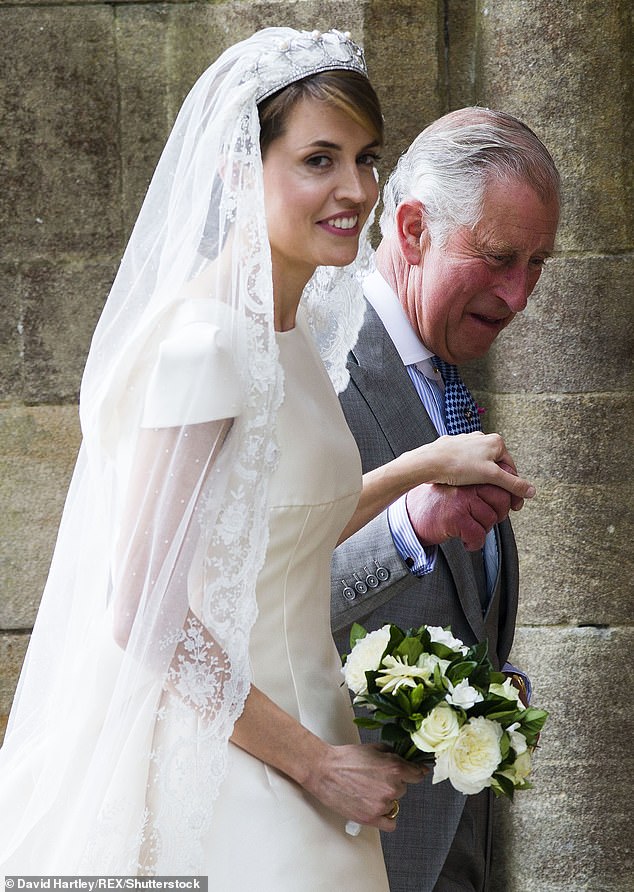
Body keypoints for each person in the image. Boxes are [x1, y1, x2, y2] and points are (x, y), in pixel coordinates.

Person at [0, 33, 534, 885]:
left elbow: (279, 526)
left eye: (366, 158)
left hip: (313, 751)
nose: (355, 189)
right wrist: (318, 765)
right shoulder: (205, 342)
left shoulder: (290, 336)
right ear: (237, 171)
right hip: (245, 769)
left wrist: (419, 466)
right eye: (318, 159)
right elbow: (142, 607)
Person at [331, 106, 561, 891]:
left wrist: (493, 692)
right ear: (413, 227)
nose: (520, 293)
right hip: (347, 848)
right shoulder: (322, 371)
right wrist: (403, 529)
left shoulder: (449, 382)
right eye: (499, 256)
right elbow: (239, 601)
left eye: (537, 263)